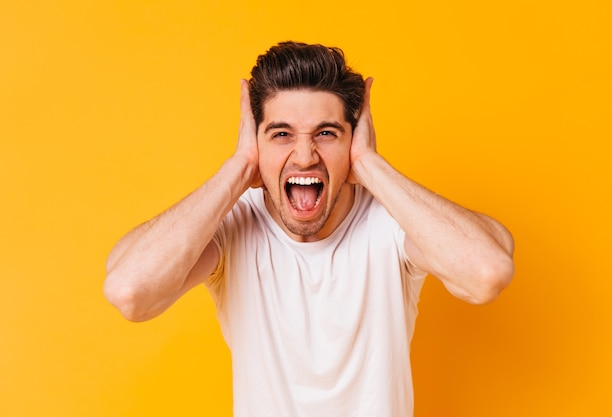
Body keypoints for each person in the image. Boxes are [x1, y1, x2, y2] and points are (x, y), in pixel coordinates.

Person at [104, 41, 515, 417]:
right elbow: (130, 292)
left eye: (327, 133)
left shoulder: (392, 223)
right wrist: (239, 168)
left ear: (354, 140)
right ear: (256, 142)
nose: (304, 156)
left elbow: (486, 272)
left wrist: (371, 166)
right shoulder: (232, 228)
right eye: (281, 134)